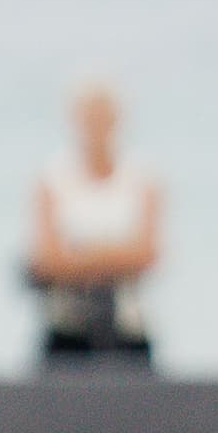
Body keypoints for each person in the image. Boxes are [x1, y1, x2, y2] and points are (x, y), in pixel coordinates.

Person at [25, 82, 162, 364]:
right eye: (90, 116)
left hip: (128, 326)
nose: (96, 125)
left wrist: (79, 252)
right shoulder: (54, 178)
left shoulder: (141, 177)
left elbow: (148, 255)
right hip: (66, 327)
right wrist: (116, 254)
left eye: (103, 115)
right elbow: (46, 259)